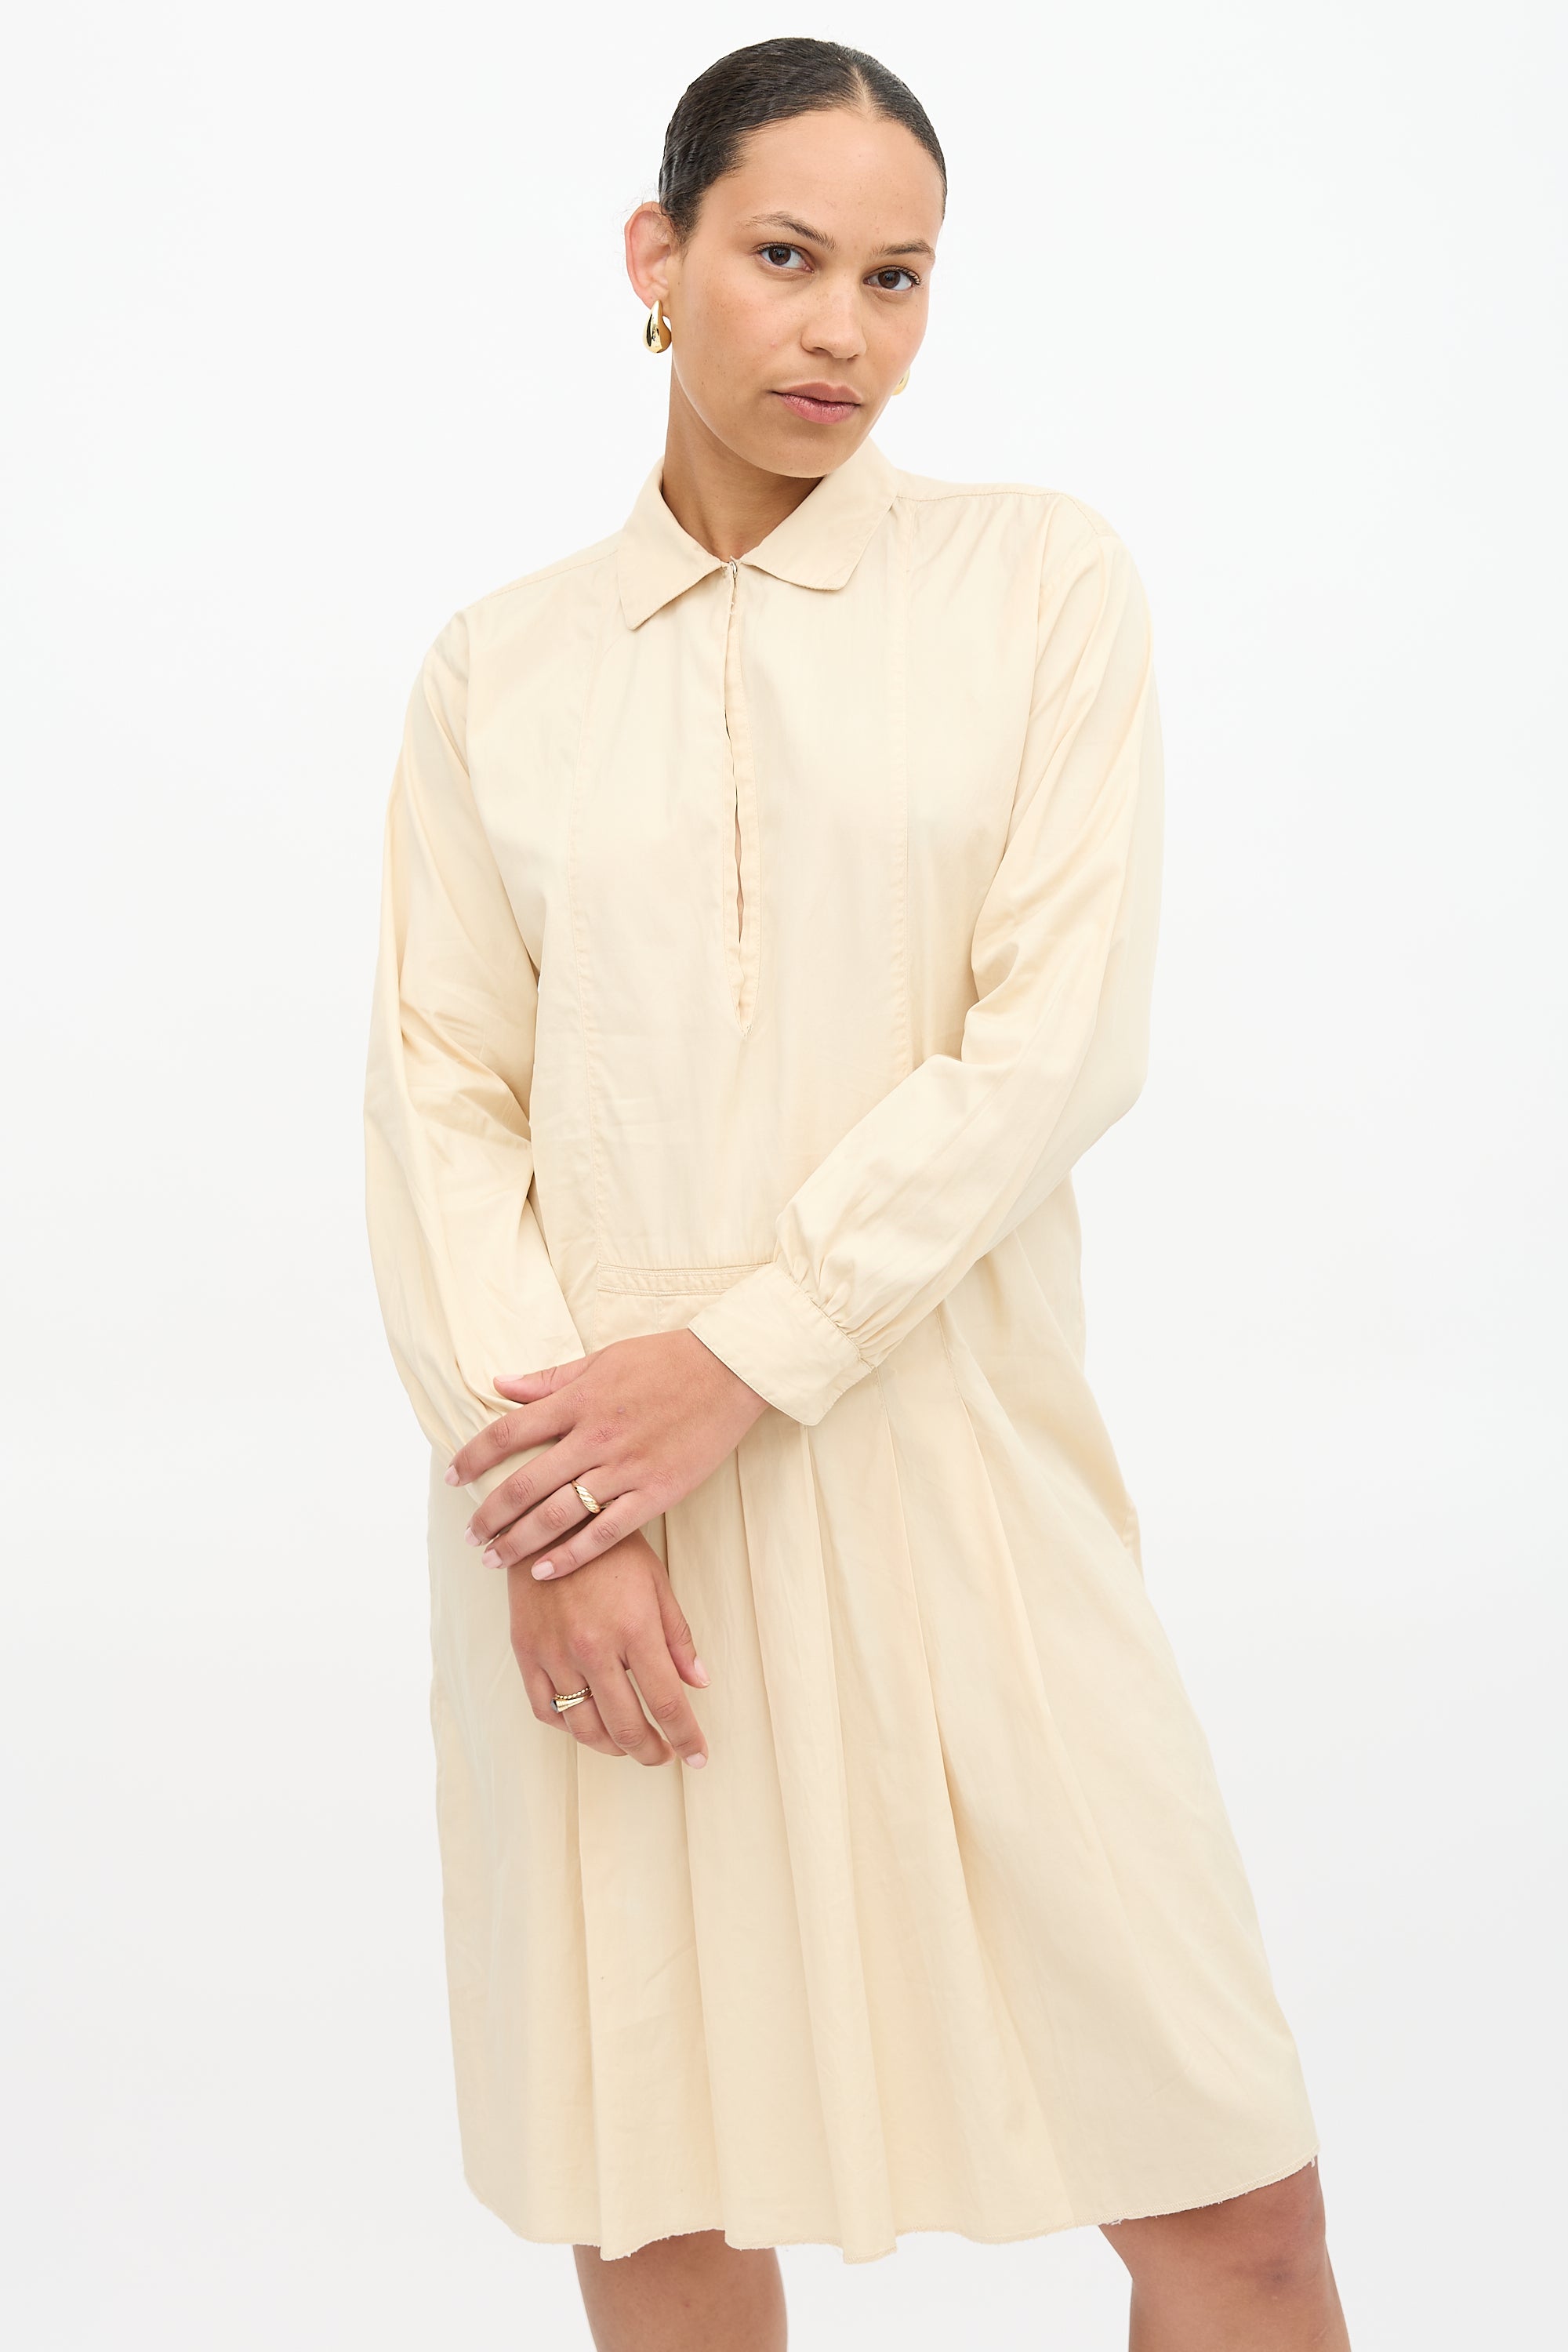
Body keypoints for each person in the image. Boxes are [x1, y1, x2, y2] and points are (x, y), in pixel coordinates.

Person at [363, 34, 1352, 2352]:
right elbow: (438, 1103)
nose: (844, 331)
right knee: (664, 2197)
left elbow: (1051, 1041)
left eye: (896, 278)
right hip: (604, 1521)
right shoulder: (501, 668)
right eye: (787, 258)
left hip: (955, 1474)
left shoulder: (1037, 585)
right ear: (659, 255)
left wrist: (742, 1355)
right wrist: (561, 1510)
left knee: (1237, 2212)